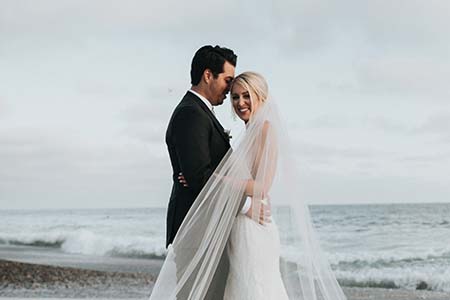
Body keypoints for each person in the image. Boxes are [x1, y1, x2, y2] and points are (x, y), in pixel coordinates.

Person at [151, 72, 347, 299]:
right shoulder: (248, 133)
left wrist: (214, 180)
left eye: (246, 96)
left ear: (260, 97)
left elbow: (262, 186)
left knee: (254, 286)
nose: (240, 103)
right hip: (240, 222)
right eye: (235, 97)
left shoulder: (265, 129)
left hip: (253, 225)